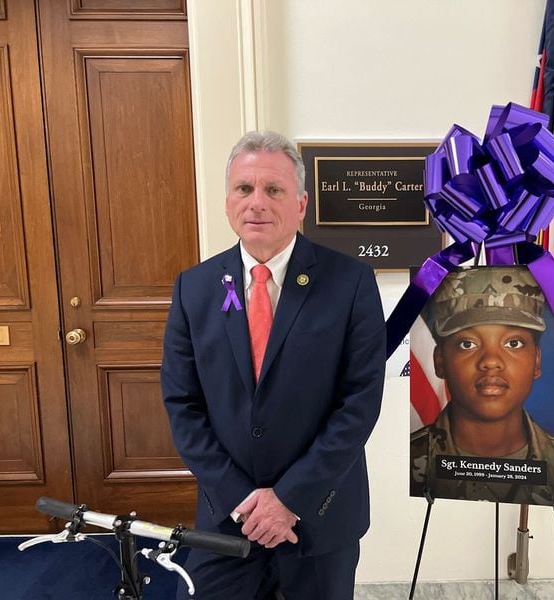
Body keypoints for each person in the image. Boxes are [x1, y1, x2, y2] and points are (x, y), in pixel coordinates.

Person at [161, 131, 386, 599]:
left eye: (274, 190)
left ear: (301, 204)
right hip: (227, 518)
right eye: (244, 189)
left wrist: (289, 500)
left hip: (319, 516)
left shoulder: (351, 284)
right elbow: (183, 405)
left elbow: (358, 405)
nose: (257, 203)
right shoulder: (194, 289)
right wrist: (244, 501)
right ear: (227, 203)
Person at [410, 266, 554, 507]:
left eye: (514, 343)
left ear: (537, 361)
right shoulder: (409, 461)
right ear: (440, 361)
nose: (491, 362)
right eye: (467, 344)